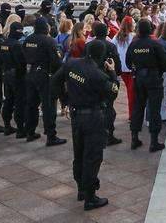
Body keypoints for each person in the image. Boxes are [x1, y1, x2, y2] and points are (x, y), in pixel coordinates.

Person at [52, 39, 119, 211]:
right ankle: (90, 197)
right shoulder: (98, 75)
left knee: (79, 153)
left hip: (76, 116)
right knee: (93, 156)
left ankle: (81, 188)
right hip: (93, 117)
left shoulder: (71, 64)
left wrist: (65, 100)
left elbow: (56, 80)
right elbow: (113, 92)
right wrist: (112, 73)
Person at [127, 19, 166, 152]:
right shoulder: (155, 44)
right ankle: (154, 141)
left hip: (139, 77)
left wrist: (137, 69)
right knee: (154, 108)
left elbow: (128, 62)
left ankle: (134, 137)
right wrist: (159, 71)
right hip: (153, 77)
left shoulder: (134, 44)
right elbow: (165, 62)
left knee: (138, 107)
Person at [23, 18, 66, 146]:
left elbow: (24, 55)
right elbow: (57, 61)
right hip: (44, 75)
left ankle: (30, 131)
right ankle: (51, 135)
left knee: (31, 104)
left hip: (31, 74)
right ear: (45, 27)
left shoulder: (28, 39)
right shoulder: (48, 40)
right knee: (48, 106)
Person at [88, 22, 122, 146]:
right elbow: (116, 62)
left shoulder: (89, 45)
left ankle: (97, 132)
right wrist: (115, 73)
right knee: (108, 108)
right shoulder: (110, 46)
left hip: (92, 78)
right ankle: (109, 134)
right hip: (106, 79)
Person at [0, 22, 28, 138]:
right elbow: (21, 62)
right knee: (19, 102)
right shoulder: (16, 45)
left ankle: (7, 126)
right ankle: (20, 129)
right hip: (16, 75)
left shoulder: (4, 43)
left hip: (6, 74)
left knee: (8, 100)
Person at [114, 17, 136, 120]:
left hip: (122, 67)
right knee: (131, 92)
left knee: (130, 91)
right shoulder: (132, 37)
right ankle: (132, 115)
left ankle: (133, 113)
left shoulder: (117, 36)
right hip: (131, 68)